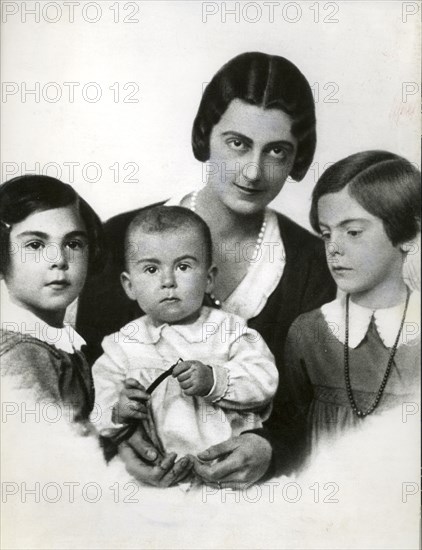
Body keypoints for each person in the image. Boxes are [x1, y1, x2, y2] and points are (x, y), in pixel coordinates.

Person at [77, 52, 337, 487]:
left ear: (297, 159)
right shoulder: (121, 239)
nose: (254, 171)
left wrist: (270, 449)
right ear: (206, 136)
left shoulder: (315, 265)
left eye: (276, 151)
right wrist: (115, 445)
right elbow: (81, 380)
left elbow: (322, 406)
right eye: (237, 143)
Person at [91, 206, 278, 481]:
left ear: (209, 278)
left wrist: (215, 381)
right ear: (129, 285)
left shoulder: (230, 330)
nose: (168, 281)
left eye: (183, 266)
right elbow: (98, 413)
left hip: (229, 473)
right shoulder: (122, 346)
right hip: (158, 479)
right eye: (152, 269)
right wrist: (119, 411)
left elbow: (265, 380)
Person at [272, 151, 421, 471]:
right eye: (327, 234)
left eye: (352, 232)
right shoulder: (309, 333)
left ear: (407, 235)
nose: (333, 248)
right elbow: (292, 431)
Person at [0, 174, 104, 428]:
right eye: (35, 245)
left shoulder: (55, 343)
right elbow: (45, 457)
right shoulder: (21, 353)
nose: (59, 258)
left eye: (73, 243)